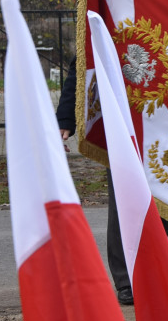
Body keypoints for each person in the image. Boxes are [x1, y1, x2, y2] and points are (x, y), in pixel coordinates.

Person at [56, 56, 138, 305]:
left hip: (166, 123)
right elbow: (83, 62)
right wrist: (65, 118)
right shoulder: (109, 16)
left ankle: (148, 268)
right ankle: (126, 280)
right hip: (123, 120)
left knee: (167, 205)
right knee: (124, 204)